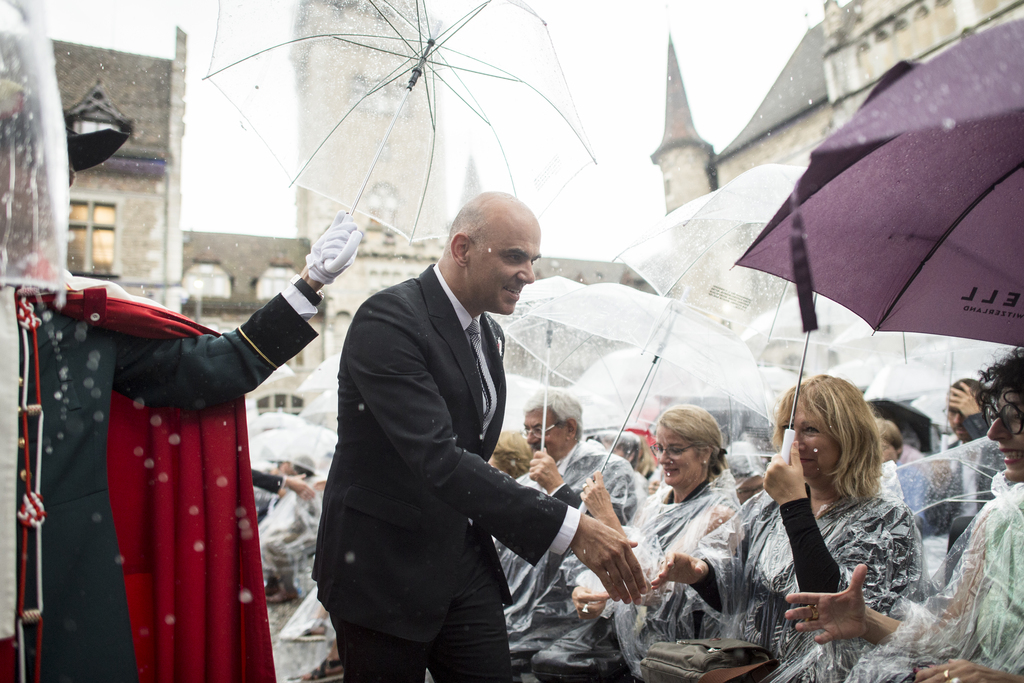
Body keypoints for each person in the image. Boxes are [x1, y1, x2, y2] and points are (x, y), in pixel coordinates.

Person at [5, 119, 363, 681]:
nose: (58, 197)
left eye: (64, 181)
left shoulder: (77, 316)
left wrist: (307, 287)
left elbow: (206, 370)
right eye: (44, 178)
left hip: (70, 595)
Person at [312, 191, 647, 683]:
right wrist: (571, 528)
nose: (529, 274)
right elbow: (439, 459)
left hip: (462, 563)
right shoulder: (389, 318)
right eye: (515, 257)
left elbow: (469, 451)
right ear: (463, 248)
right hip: (382, 569)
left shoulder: (490, 334)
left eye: (532, 259)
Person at [651, 375, 923, 682]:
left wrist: (794, 505)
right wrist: (700, 574)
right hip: (758, 671)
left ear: (848, 436)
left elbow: (829, 606)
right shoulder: (767, 506)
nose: (794, 442)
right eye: (787, 429)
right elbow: (738, 596)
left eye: (810, 429)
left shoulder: (885, 518)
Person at [785, 348, 1024, 683]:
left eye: (1015, 418)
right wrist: (866, 621)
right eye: (996, 416)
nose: (995, 432)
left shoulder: (885, 514)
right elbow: (949, 636)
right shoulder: (1000, 519)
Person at [549, 405, 739, 680]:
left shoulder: (719, 514)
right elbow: (624, 575)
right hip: (649, 653)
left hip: (691, 660)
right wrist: (591, 594)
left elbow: (653, 586)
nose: (663, 458)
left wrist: (606, 517)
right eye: (658, 447)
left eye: (675, 449)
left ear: (705, 452)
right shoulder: (654, 505)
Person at [500, 389, 639, 669]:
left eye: (539, 429)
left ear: (570, 428)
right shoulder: (529, 479)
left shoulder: (609, 469)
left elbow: (610, 538)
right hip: (515, 611)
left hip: (572, 614)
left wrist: (557, 487)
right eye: (526, 429)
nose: (529, 439)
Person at [262, 453, 323, 604]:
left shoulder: (311, 485)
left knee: (275, 545)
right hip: (301, 528)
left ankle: (289, 589)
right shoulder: (304, 482)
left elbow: (311, 518)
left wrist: (292, 529)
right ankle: (273, 582)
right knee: (267, 538)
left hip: (310, 532)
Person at [948, 378, 986, 445]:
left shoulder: (997, 445)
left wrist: (976, 417)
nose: (956, 421)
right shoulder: (947, 451)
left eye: (965, 412)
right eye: (952, 412)